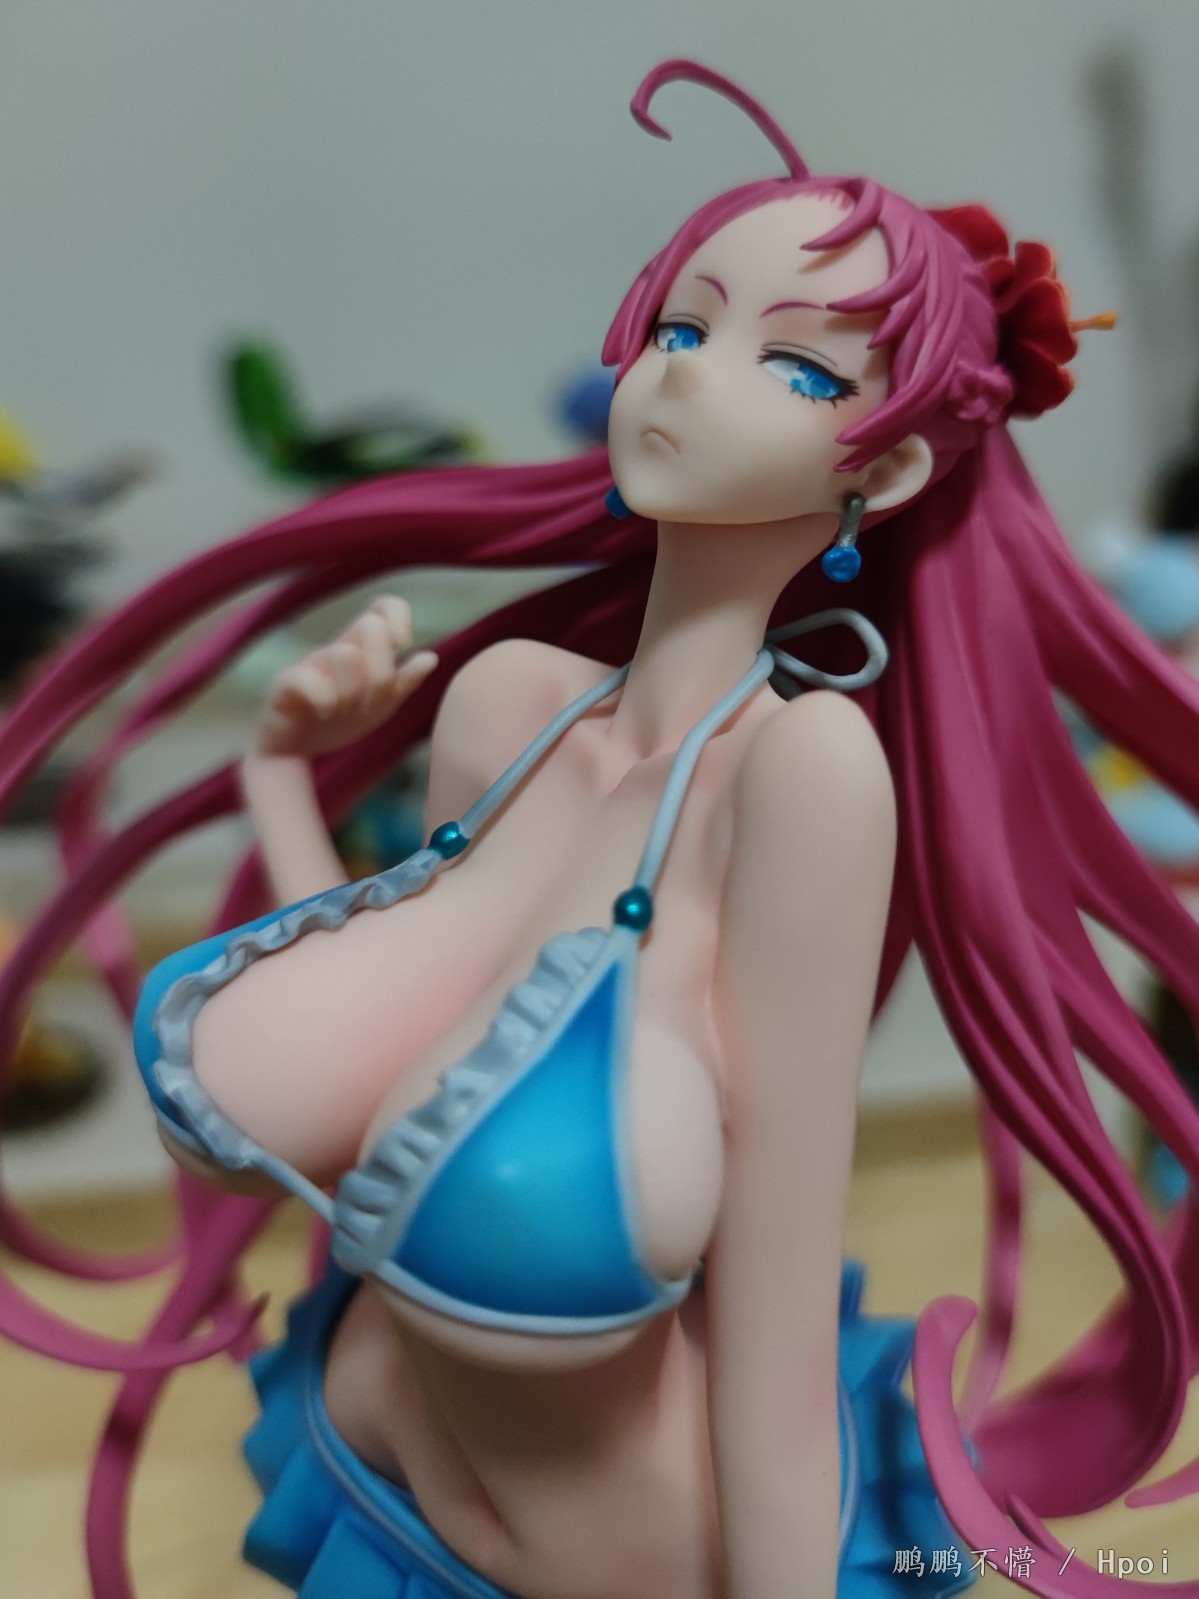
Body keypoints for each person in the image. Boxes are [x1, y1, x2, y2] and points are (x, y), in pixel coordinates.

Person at [2, 57, 1199, 1599]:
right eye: (682, 329)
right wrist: (283, 779)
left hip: (616, 1553)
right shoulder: (510, 704)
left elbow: (773, 1307)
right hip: (355, 1475)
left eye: (796, 363)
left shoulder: (802, 776)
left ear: (889, 464)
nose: (687, 377)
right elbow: (389, 1056)